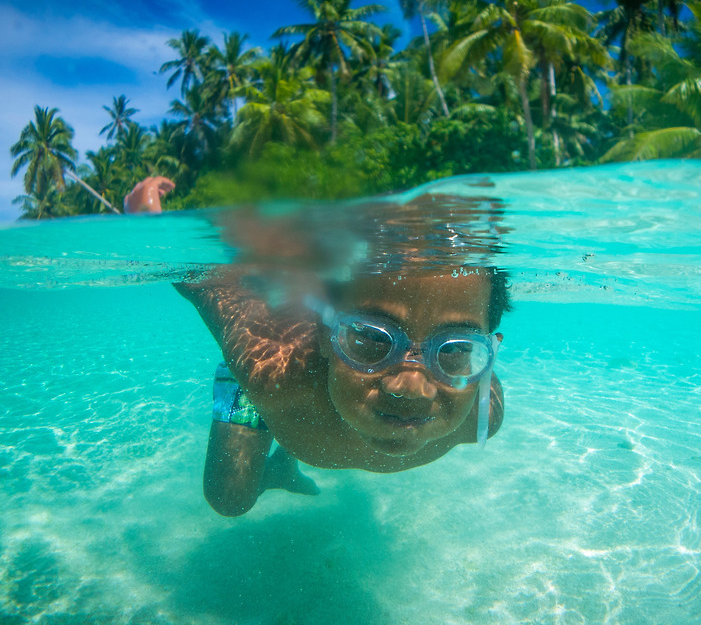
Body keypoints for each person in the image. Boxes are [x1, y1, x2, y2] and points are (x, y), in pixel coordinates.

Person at [130, 177, 510, 517]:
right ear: (326, 335)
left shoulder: (481, 416)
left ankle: (283, 467)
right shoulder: (270, 374)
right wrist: (146, 220)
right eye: (373, 338)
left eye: (453, 350)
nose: (410, 387)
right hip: (277, 377)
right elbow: (199, 279)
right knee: (229, 498)